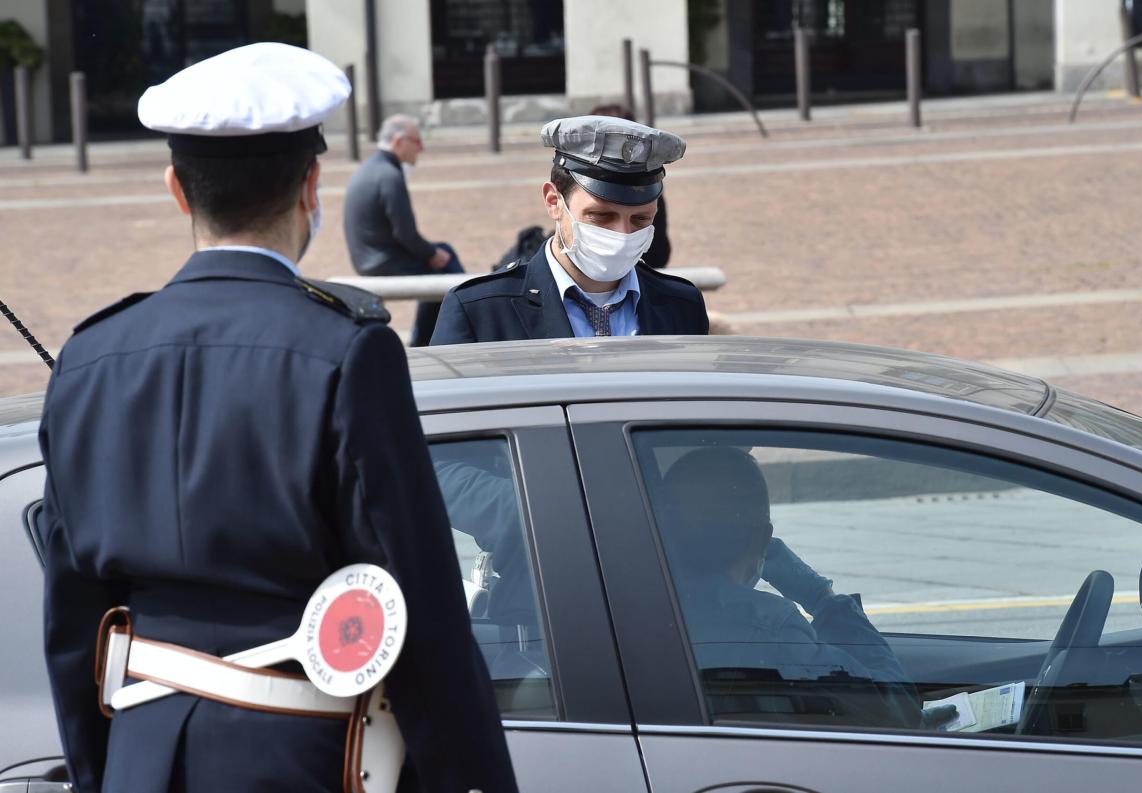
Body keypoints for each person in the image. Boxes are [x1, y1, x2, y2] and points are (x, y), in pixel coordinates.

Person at [38, 42, 517, 793]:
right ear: (311, 185)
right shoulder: (346, 352)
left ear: (176, 188)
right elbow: (420, 603)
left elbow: (74, 620)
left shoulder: (90, 356)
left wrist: (105, 770)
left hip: (141, 753)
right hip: (300, 755)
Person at [656, 446, 921, 728]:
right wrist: (821, 596)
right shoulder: (770, 627)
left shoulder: (637, 609)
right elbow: (897, 711)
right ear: (764, 538)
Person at [430, 115, 708, 345]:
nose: (622, 234)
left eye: (640, 219)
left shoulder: (681, 305)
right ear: (554, 202)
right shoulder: (480, 310)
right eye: (601, 216)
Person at [343, 114, 464, 347]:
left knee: (442, 257)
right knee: (445, 269)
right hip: (381, 260)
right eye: (417, 142)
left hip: (369, 256)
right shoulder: (390, 175)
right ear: (399, 142)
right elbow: (405, 233)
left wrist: (431, 252)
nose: (421, 148)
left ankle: (426, 338)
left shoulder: (370, 168)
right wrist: (431, 254)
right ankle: (437, 338)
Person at [589, 104, 671, 269]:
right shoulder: (649, 185)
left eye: (641, 218)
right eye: (601, 215)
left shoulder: (650, 188)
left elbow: (660, 251)